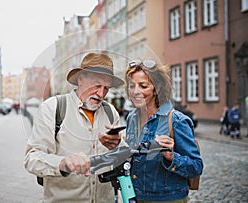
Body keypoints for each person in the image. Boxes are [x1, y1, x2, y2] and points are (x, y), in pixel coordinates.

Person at [24, 52, 126, 202]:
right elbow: (32, 158)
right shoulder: (53, 108)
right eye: (97, 85)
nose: (101, 93)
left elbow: (122, 157)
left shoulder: (110, 112)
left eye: (106, 88)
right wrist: (62, 163)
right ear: (80, 80)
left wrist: (118, 145)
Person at [124, 59, 203, 202]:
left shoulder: (177, 121)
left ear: (157, 88)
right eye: (131, 86)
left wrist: (171, 157)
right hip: (135, 196)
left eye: (143, 86)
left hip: (167, 199)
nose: (135, 92)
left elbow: (196, 167)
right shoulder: (132, 118)